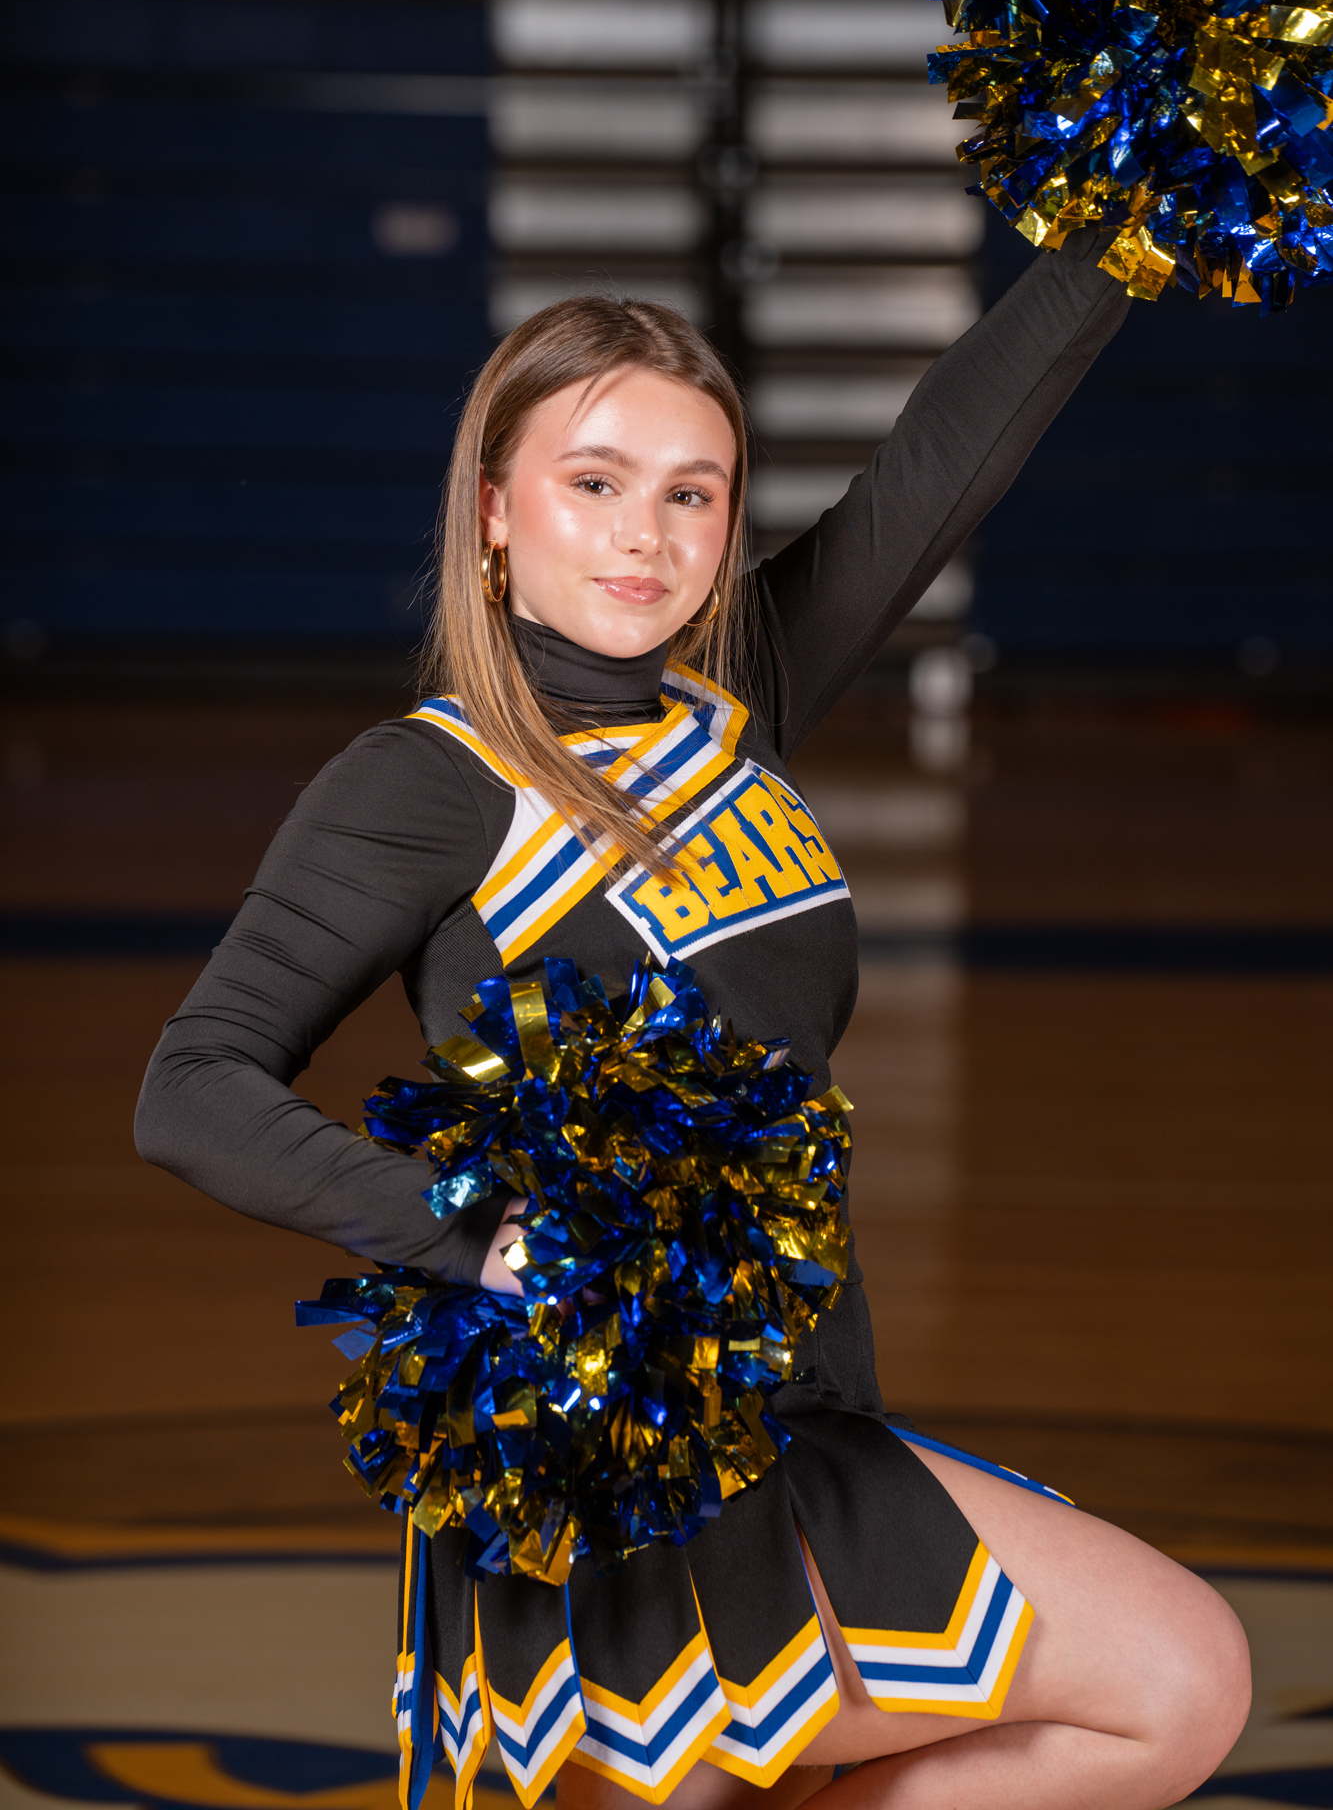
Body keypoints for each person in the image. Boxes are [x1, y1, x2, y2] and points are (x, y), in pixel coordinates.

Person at [136, 233, 1250, 1810]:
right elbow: (190, 1086)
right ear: (492, 511)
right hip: (615, 1452)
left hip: (794, 1395)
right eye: (592, 482)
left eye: (691, 492)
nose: (642, 536)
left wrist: (1122, 228)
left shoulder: (734, 697)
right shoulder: (426, 783)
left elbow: (941, 461)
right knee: (1169, 1676)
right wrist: (478, 1238)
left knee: (1160, 1688)